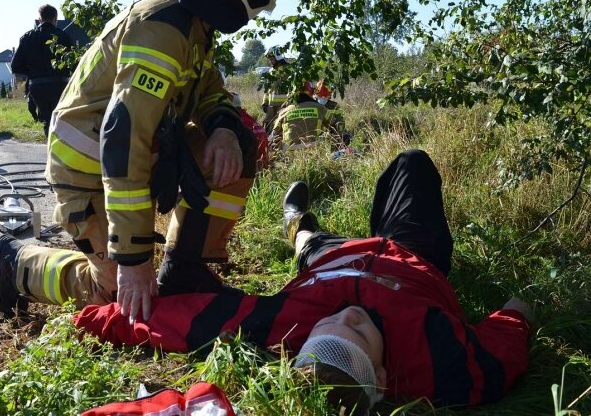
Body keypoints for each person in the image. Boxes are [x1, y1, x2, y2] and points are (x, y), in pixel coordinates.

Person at [70, 150, 533, 413]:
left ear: (300, 344)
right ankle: (318, 228)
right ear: (384, 377)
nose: (347, 317)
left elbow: (180, 320)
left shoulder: (279, 329)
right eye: (358, 333)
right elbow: (504, 345)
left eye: (327, 326)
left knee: (311, 246)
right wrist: (524, 301)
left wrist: (99, 316)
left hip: (330, 263)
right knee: (412, 165)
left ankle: (297, 224)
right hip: (412, 260)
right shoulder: (438, 359)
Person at [0, 0, 280, 324]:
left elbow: (209, 90)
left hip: (130, 154)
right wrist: (132, 258)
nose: (248, 20)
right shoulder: (163, 27)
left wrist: (226, 130)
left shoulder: (194, 23)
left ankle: (184, 266)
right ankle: (19, 265)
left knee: (241, 143)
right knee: (114, 294)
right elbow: (123, 137)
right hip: (88, 166)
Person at [10, 4, 77, 136]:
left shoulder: (27, 38)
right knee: (60, 120)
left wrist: (32, 72)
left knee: (47, 120)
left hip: (37, 86)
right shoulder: (64, 36)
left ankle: (50, 147)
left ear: (39, 19)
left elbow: (15, 66)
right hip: (60, 84)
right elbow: (74, 64)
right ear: (55, 19)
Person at [269, 81, 344, 151]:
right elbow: (334, 125)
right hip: (314, 149)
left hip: (289, 150)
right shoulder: (319, 108)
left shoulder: (284, 111)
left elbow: (273, 135)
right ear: (311, 93)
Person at [260, 46, 291, 132]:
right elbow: (267, 89)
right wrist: (265, 103)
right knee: (268, 125)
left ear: (278, 57)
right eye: (269, 59)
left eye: (272, 58)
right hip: (271, 106)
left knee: (283, 127)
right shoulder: (271, 71)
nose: (270, 61)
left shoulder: (289, 70)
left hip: (285, 105)